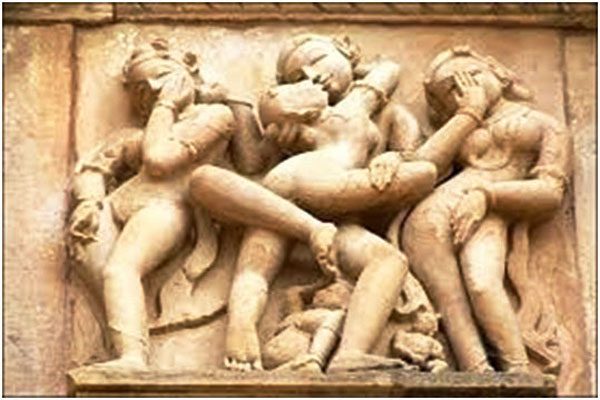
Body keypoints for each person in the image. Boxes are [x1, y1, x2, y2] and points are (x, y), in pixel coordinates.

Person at [187, 35, 493, 372]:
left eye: (317, 59)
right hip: (311, 180)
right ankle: (249, 316)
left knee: (387, 260)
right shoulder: (348, 107)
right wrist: (469, 113)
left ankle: (349, 353)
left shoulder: (371, 109)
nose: (310, 75)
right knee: (422, 173)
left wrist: (395, 155)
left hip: (314, 208)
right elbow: (254, 155)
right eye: (296, 77)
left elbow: (389, 74)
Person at [67, 38, 276, 370]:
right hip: (115, 206)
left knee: (121, 269)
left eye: (162, 76)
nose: (153, 88)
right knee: (102, 271)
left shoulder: (213, 116)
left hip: (166, 207)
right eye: (141, 89)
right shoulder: (134, 134)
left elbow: (159, 160)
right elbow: (96, 167)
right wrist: (90, 201)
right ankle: (119, 339)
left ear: (188, 73)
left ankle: (132, 358)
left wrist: (166, 105)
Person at [401, 46, 569, 373]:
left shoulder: (545, 125)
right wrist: (470, 112)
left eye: (473, 75)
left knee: (482, 284)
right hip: (430, 220)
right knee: (451, 302)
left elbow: (550, 193)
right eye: (451, 89)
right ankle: (477, 371)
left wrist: (488, 196)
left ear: (499, 74)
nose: (466, 87)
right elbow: (421, 168)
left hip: (491, 209)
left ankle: (518, 370)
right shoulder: (464, 125)